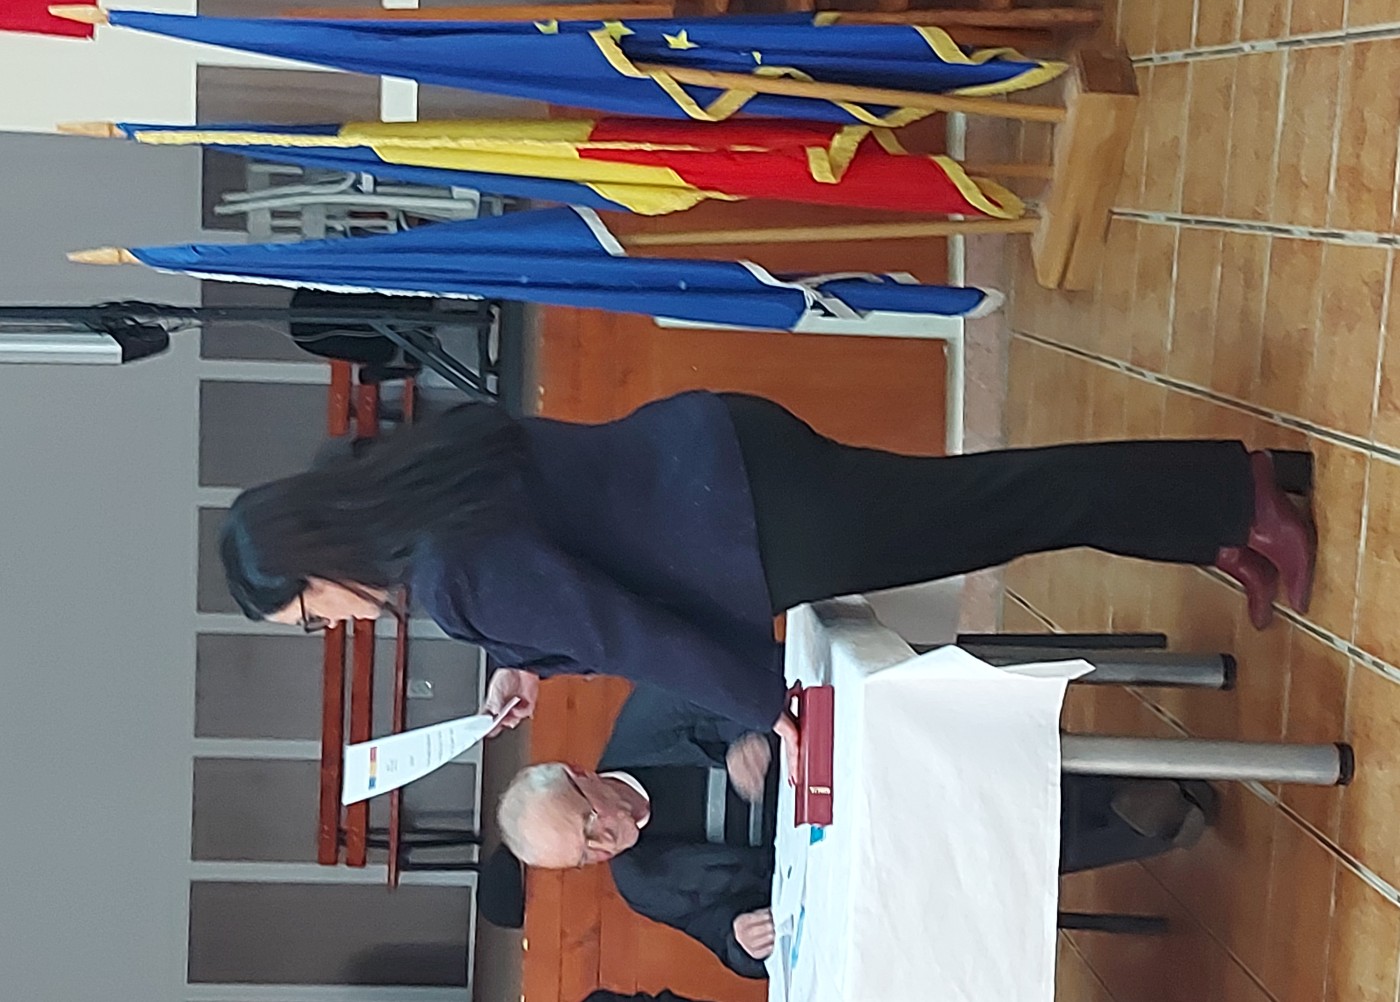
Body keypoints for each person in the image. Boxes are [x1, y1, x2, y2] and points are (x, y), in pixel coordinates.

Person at [220, 390, 1315, 764]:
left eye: (309, 616)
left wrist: (764, 703)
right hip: (724, 459)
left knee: (1002, 506)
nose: (332, 628)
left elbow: (621, 630)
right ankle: (1213, 527)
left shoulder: (446, 575)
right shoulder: (418, 478)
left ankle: (1240, 491)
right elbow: (567, 557)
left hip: (751, 526)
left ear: (315, 563)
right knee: (997, 505)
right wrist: (525, 664)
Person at [495, 685, 1215, 979]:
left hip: (857, 768)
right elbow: (725, 942)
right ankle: (1131, 823)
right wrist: (741, 939)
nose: (606, 843)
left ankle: (1118, 794)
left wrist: (758, 733)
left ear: (582, 776)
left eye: (590, 825)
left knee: (948, 782)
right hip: (851, 864)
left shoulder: (651, 716)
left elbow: (765, 674)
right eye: (585, 856)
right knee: (948, 872)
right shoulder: (642, 884)